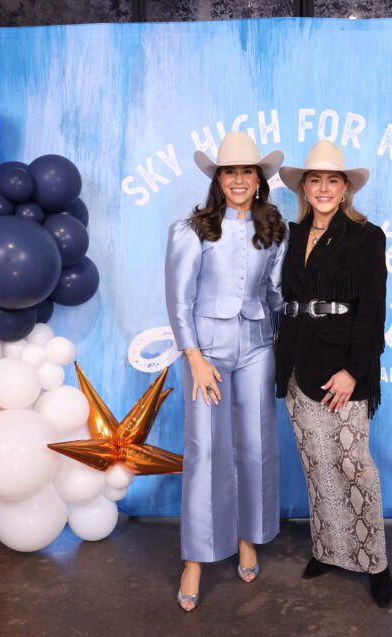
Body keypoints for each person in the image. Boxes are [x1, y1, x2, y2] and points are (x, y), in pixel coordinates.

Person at [164, 132, 288, 612]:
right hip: (207, 354)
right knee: (206, 450)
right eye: (229, 171)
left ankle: (247, 537)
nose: (238, 179)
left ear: (259, 179)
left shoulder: (275, 229)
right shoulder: (190, 229)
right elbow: (179, 300)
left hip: (258, 348)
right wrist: (193, 358)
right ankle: (195, 558)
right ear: (218, 179)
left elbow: (276, 295)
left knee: (256, 446)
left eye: (247, 171)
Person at [275, 140, 392, 608]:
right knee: (318, 465)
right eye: (315, 180)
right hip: (296, 363)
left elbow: (373, 311)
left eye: (332, 180)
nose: (323, 188)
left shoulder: (366, 237)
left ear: (345, 188)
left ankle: (376, 563)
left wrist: (353, 371)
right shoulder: (291, 235)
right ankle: (329, 550)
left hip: (342, 367)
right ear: (304, 188)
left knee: (353, 465)